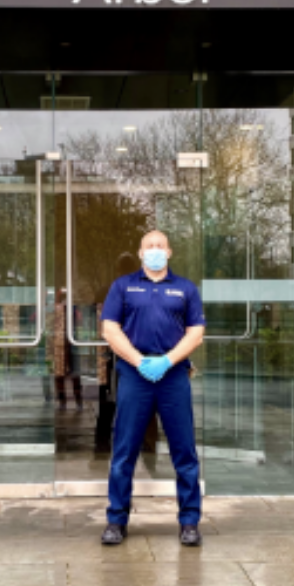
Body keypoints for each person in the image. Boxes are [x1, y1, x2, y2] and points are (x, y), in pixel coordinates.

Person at [99, 230, 206, 547]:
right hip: (135, 375)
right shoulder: (123, 286)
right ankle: (116, 520)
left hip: (173, 377)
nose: (155, 250)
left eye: (161, 246)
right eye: (150, 246)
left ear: (169, 253)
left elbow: (196, 332)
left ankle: (189, 522)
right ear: (140, 253)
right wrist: (140, 360)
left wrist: (168, 361)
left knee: (184, 451)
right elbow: (109, 328)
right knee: (124, 451)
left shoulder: (185, 288)